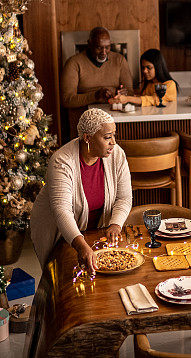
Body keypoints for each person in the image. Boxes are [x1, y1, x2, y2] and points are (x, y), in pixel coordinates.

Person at [30, 109, 132, 275]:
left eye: (114, 135)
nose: (113, 142)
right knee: (59, 280)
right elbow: (62, 211)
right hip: (59, 232)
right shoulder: (61, 161)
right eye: (107, 137)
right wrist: (81, 245)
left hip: (94, 230)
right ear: (87, 138)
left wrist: (115, 224)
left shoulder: (117, 154)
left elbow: (124, 198)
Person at [60, 27, 133, 136]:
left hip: (115, 117)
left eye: (107, 47)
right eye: (99, 48)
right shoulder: (74, 63)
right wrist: (95, 96)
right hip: (84, 119)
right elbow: (67, 100)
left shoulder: (119, 60)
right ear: (89, 44)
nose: (104, 52)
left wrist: (124, 94)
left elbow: (131, 92)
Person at [109, 48, 178, 107]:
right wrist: (124, 95)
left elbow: (153, 100)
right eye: (143, 67)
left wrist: (127, 98)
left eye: (149, 67)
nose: (144, 71)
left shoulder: (170, 84)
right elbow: (142, 99)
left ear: (158, 67)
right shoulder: (149, 84)